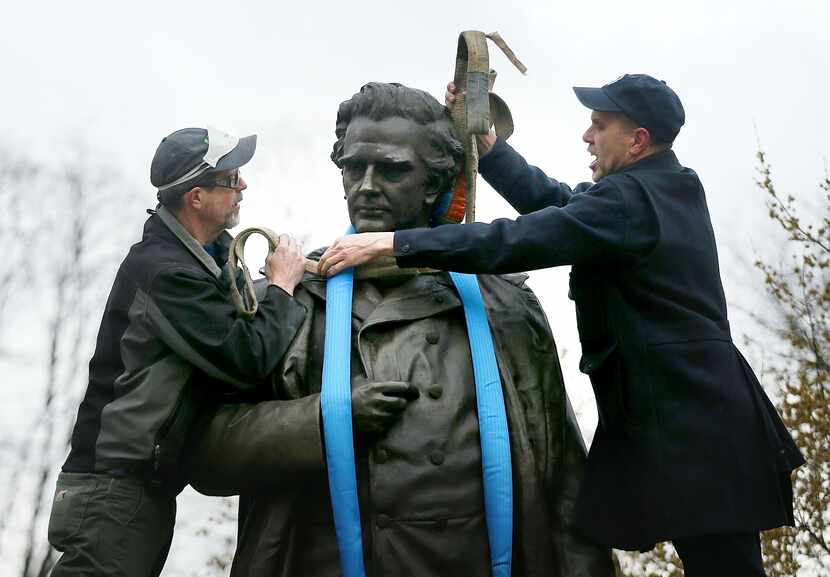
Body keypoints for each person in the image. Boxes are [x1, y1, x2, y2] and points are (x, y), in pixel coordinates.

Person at [318, 75, 805, 576]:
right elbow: (557, 204)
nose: (586, 136)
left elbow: (525, 238)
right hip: (691, 423)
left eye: (599, 125)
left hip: (693, 432)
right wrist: (488, 147)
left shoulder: (630, 201)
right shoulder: (658, 188)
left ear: (637, 141)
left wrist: (395, 245)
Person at [187, 83, 614, 577]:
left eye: (392, 170)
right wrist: (327, 420)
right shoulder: (288, 299)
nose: (366, 186)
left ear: (433, 184)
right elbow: (204, 451)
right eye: (353, 168)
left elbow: (561, 476)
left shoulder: (506, 304)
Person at [46, 126, 309, 577]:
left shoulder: (199, 264)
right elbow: (246, 357)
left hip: (131, 493)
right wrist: (282, 288)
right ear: (196, 197)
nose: (243, 185)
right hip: (114, 492)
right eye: (230, 178)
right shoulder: (167, 274)